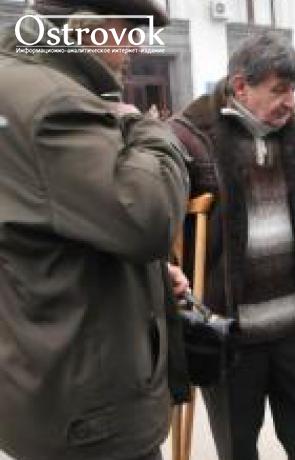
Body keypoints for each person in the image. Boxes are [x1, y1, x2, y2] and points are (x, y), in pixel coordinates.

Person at [0, 1, 189, 459]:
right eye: (129, 32)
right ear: (86, 26)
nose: (136, 47)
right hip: (90, 408)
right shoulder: (54, 102)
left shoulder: (18, 84)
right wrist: (148, 126)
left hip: (46, 373)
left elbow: (48, 223)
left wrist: (145, 279)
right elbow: (150, 216)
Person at [168, 34, 295, 460]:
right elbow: (162, 233)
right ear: (241, 87)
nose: (290, 101)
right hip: (228, 333)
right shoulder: (189, 135)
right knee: (238, 448)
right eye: (279, 90)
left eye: (294, 89)